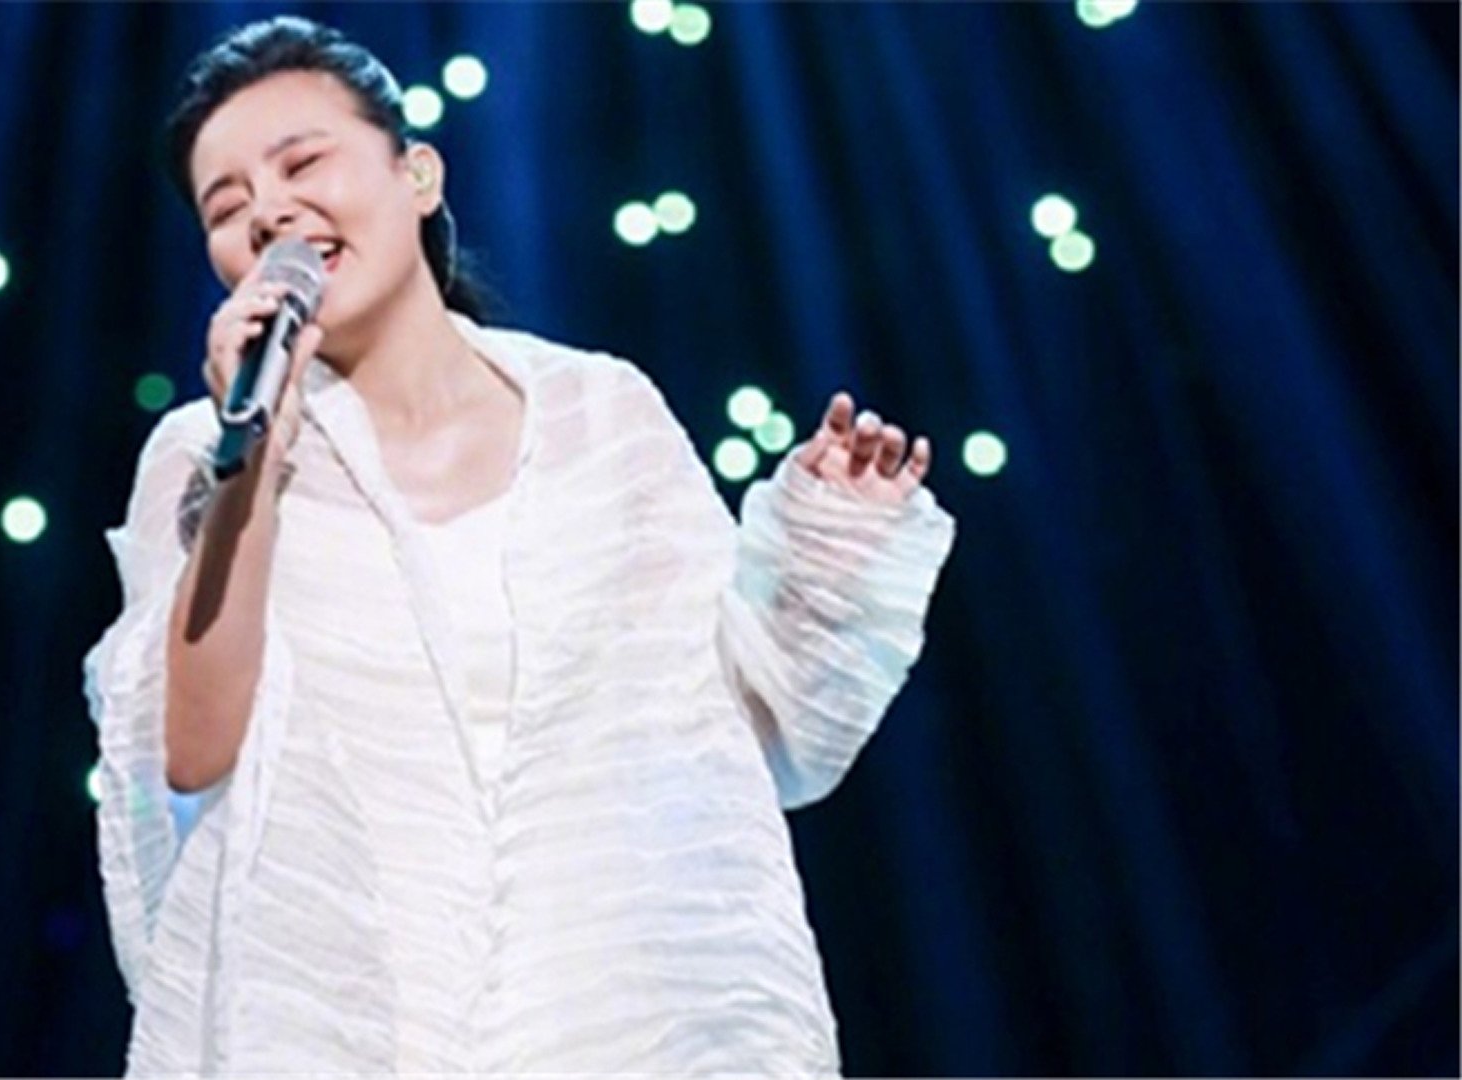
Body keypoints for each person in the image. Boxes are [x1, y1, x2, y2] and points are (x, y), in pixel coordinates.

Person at [82, 15, 957, 1077]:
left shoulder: (602, 415)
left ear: (417, 175)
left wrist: (827, 548)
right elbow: (191, 752)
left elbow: (740, 728)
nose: (269, 211)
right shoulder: (203, 456)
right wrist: (254, 460)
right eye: (227, 207)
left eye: (302, 163)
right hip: (349, 1025)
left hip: (625, 1016)